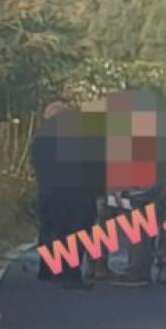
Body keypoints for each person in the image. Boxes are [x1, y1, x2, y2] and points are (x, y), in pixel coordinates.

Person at [31, 100, 100, 289]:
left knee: (50, 230)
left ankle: (48, 270)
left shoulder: (40, 140)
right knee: (76, 232)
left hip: (47, 191)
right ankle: (71, 274)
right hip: (75, 194)